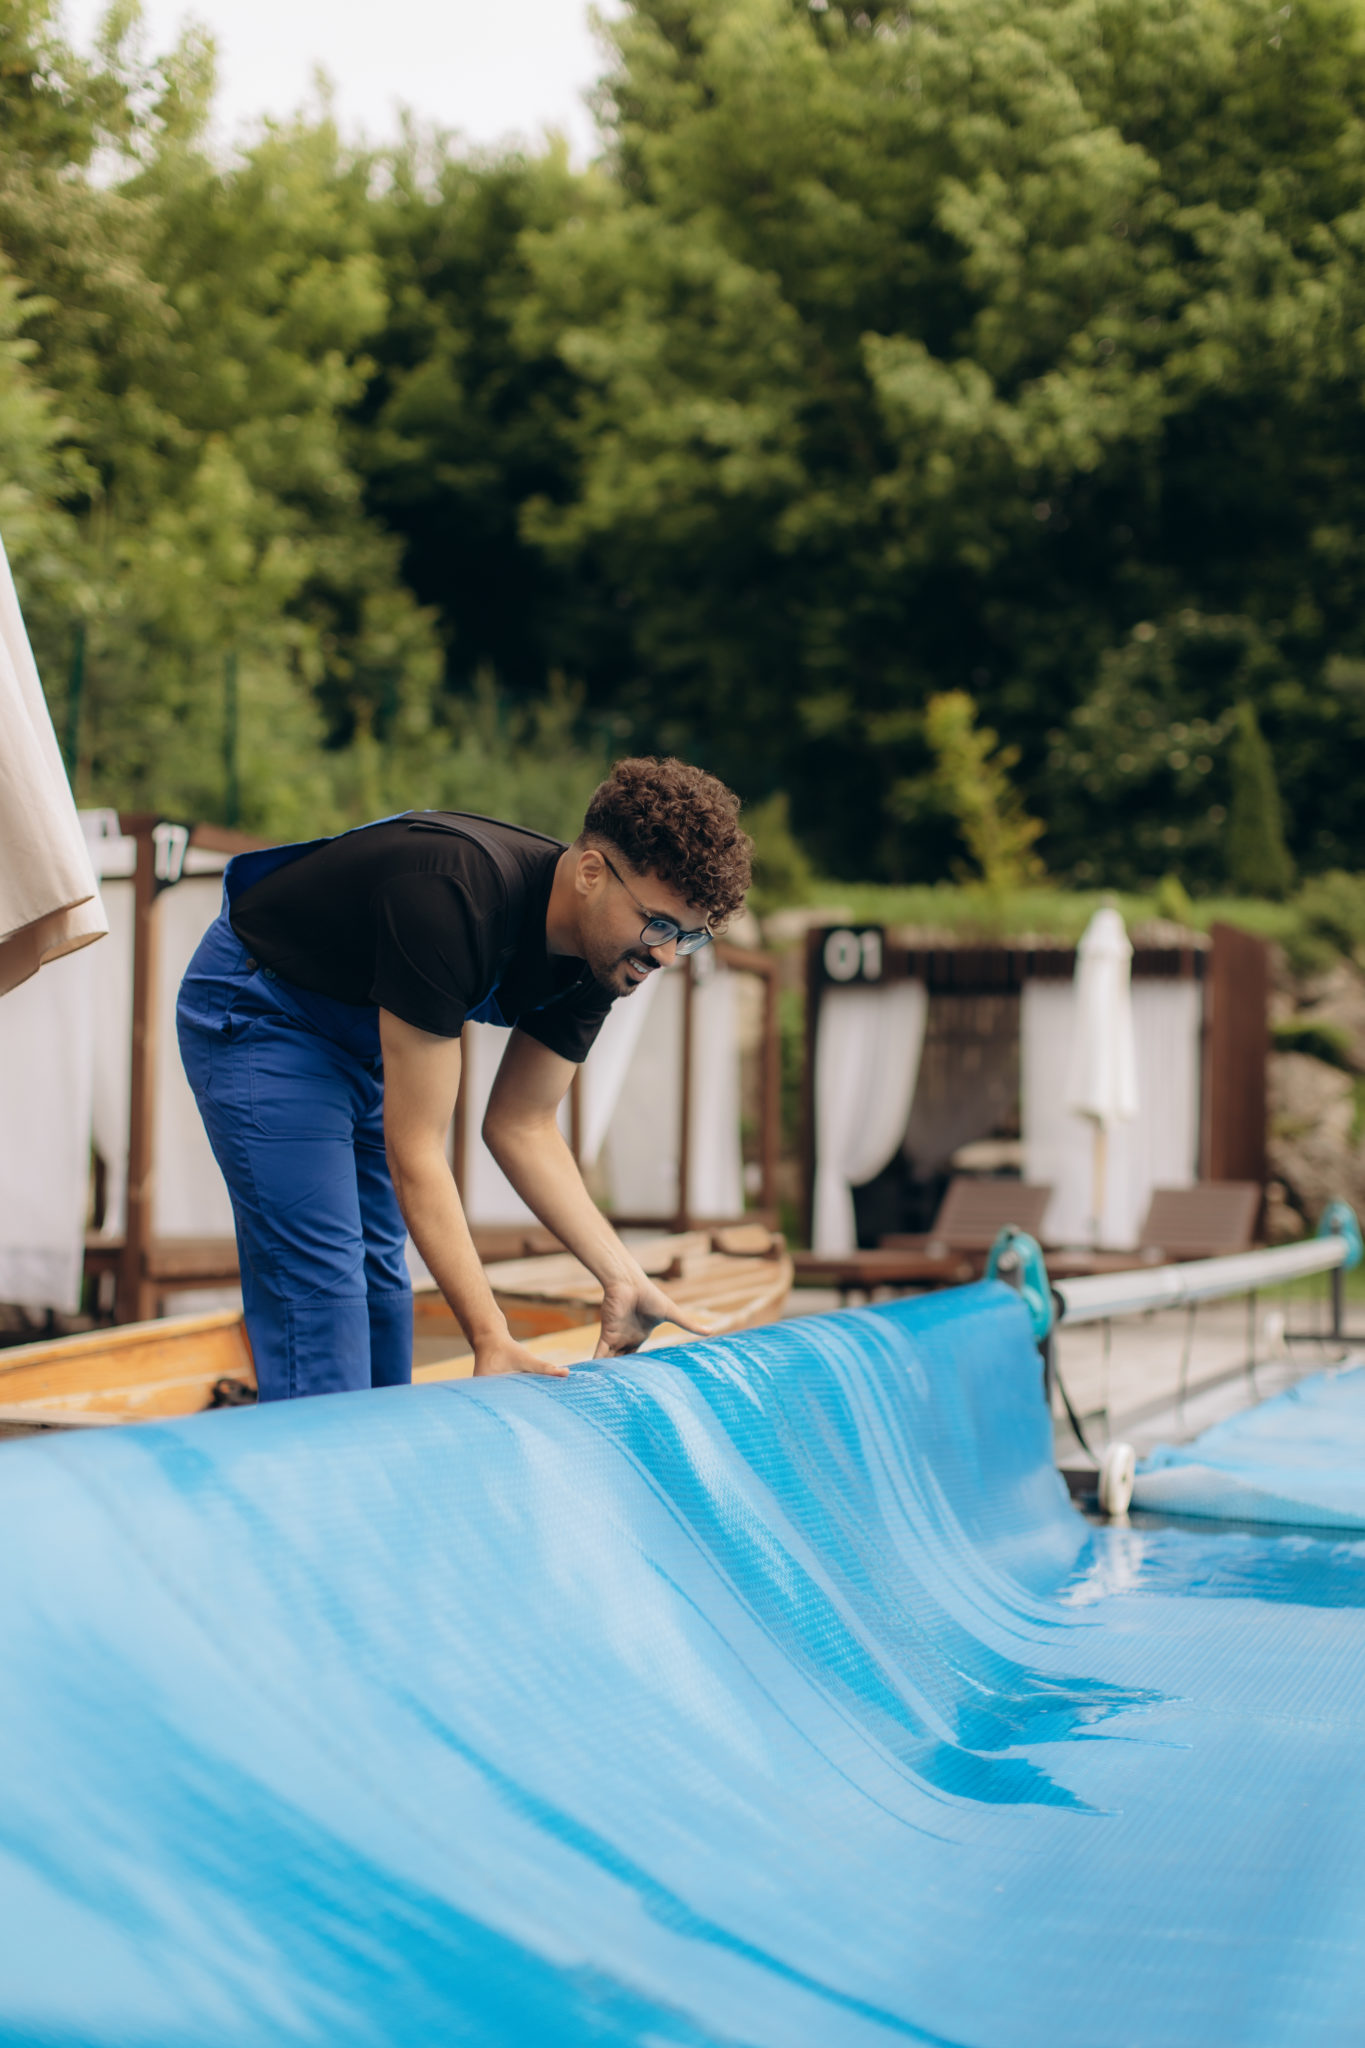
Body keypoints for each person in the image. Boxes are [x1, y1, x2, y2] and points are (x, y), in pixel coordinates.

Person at [177, 757, 752, 1401]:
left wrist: (623, 1276)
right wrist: (489, 1334)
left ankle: (383, 1449)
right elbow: (417, 1153)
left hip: (362, 1032)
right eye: (660, 925)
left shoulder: (607, 955)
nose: (666, 955)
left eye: (690, 938)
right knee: (324, 1282)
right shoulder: (453, 897)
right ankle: (318, 1456)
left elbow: (522, 1125)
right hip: (264, 1008)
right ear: (591, 873)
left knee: (381, 1277)